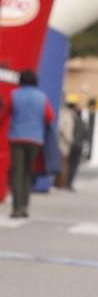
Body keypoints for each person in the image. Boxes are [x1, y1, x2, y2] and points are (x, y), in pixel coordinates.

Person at [6, 70, 54, 218]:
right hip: (35, 140)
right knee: (27, 173)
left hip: (16, 138)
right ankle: (25, 207)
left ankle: (16, 208)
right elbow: (49, 116)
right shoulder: (42, 97)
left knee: (17, 173)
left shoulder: (14, 95)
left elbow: (5, 113)